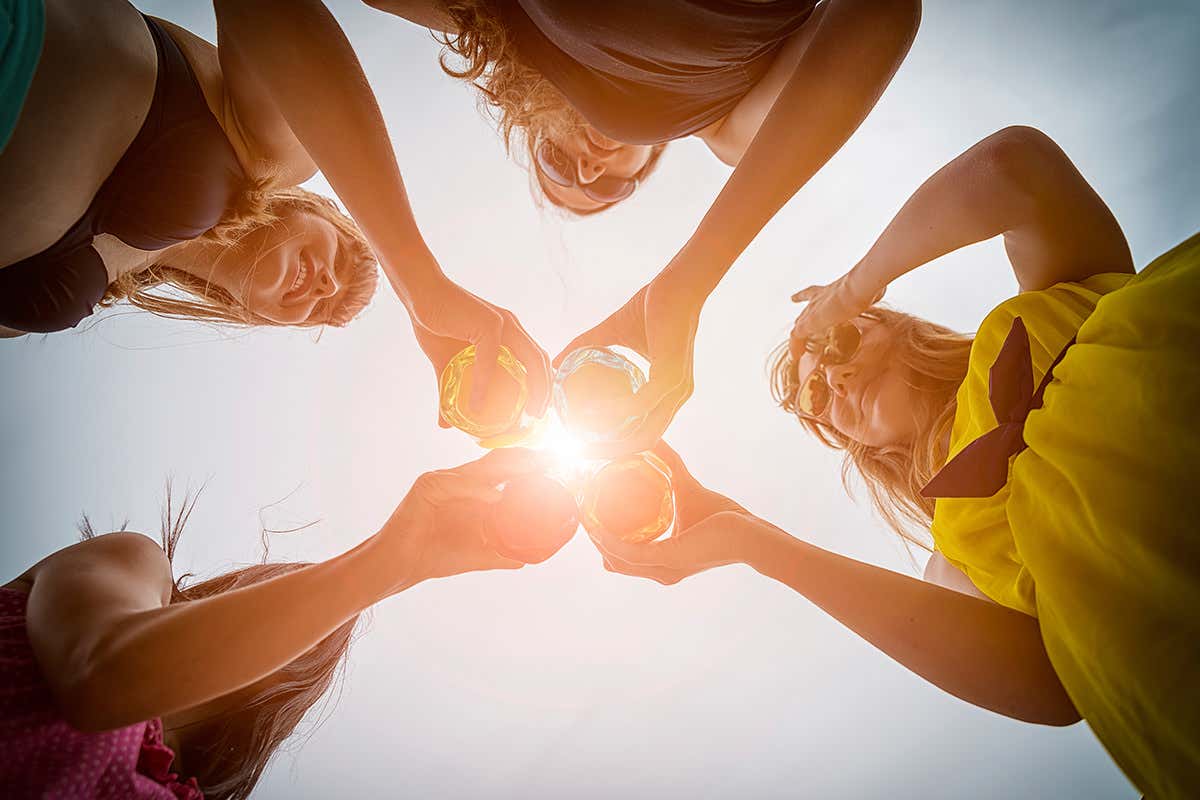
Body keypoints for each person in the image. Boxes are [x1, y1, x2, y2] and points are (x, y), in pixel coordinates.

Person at [587, 127, 1200, 798]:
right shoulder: (954, 556)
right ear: (851, 440)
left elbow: (1015, 168)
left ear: (890, 321)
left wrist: (856, 284)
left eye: (835, 341)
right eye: (814, 395)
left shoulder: (1052, 294)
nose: (830, 377)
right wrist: (748, 540)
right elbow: (1048, 690)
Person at [372, 0, 922, 452]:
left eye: (556, 161)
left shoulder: (508, 26)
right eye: (605, 186)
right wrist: (690, 279)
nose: (589, 168)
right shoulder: (728, 124)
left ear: (528, 115)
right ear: (650, 161)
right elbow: (882, 15)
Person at [0, 0, 550, 421]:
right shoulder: (266, 151)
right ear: (307, 210)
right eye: (342, 257)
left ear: (256, 314)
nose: (326, 289)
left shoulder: (108, 287)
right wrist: (419, 283)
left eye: (318, 313)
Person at [0, 448, 546, 799]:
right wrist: (384, 565)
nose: (314, 620)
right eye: (295, 599)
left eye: (316, 628)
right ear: (234, 588)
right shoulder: (134, 565)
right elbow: (99, 678)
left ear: (293, 691)